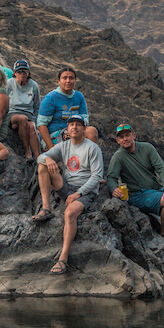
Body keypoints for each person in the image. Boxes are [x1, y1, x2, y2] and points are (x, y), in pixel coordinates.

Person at [33, 115, 104, 274]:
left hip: (86, 191)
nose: (74, 127)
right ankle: (46, 208)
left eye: (78, 125)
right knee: (42, 165)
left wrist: (78, 194)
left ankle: (63, 259)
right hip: (67, 186)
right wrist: (48, 159)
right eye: (71, 125)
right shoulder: (64, 146)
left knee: (69, 213)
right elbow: (40, 157)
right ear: (67, 129)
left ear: (84, 129)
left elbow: (97, 176)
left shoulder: (92, 148)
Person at [106, 123, 164, 252]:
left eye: (127, 135)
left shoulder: (147, 148)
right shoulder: (118, 157)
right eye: (121, 137)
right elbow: (111, 177)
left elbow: (162, 168)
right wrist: (114, 189)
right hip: (137, 195)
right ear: (117, 140)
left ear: (133, 135)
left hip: (156, 190)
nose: (125, 139)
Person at [37, 66, 98, 150]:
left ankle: (89, 160)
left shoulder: (79, 96)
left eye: (71, 78)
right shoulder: (51, 98)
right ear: (59, 81)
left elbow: (85, 118)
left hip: (74, 131)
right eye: (64, 78)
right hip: (54, 136)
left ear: (75, 81)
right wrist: (51, 148)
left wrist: (73, 128)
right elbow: (41, 125)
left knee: (91, 132)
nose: (68, 81)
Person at [6, 59, 41, 159]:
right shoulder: (9, 84)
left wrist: (36, 125)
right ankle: (27, 151)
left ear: (28, 72)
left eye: (24, 71)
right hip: (12, 113)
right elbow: (3, 100)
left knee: (31, 127)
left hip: (28, 114)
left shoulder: (34, 85)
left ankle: (38, 158)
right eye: (19, 71)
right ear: (14, 73)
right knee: (23, 119)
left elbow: (37, 106)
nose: (22, 74)